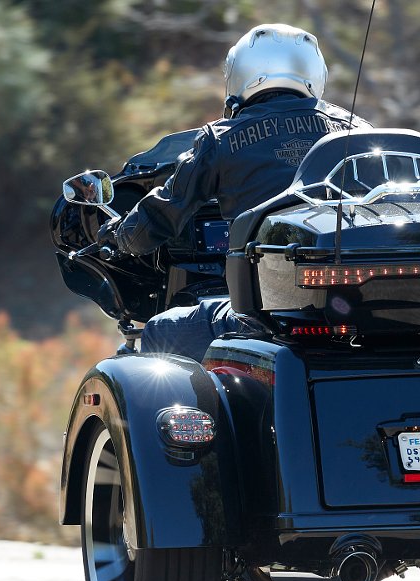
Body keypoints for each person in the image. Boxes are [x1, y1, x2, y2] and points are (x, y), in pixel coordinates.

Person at [99, 23, 370, 360]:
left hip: (265, 317)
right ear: (312, 73)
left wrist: (119, 238)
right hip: (358, 313)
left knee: (161, 330)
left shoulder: (221, 139)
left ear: (242, 73)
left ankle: (196, 416)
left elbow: (165, 212)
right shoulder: (358, 131)